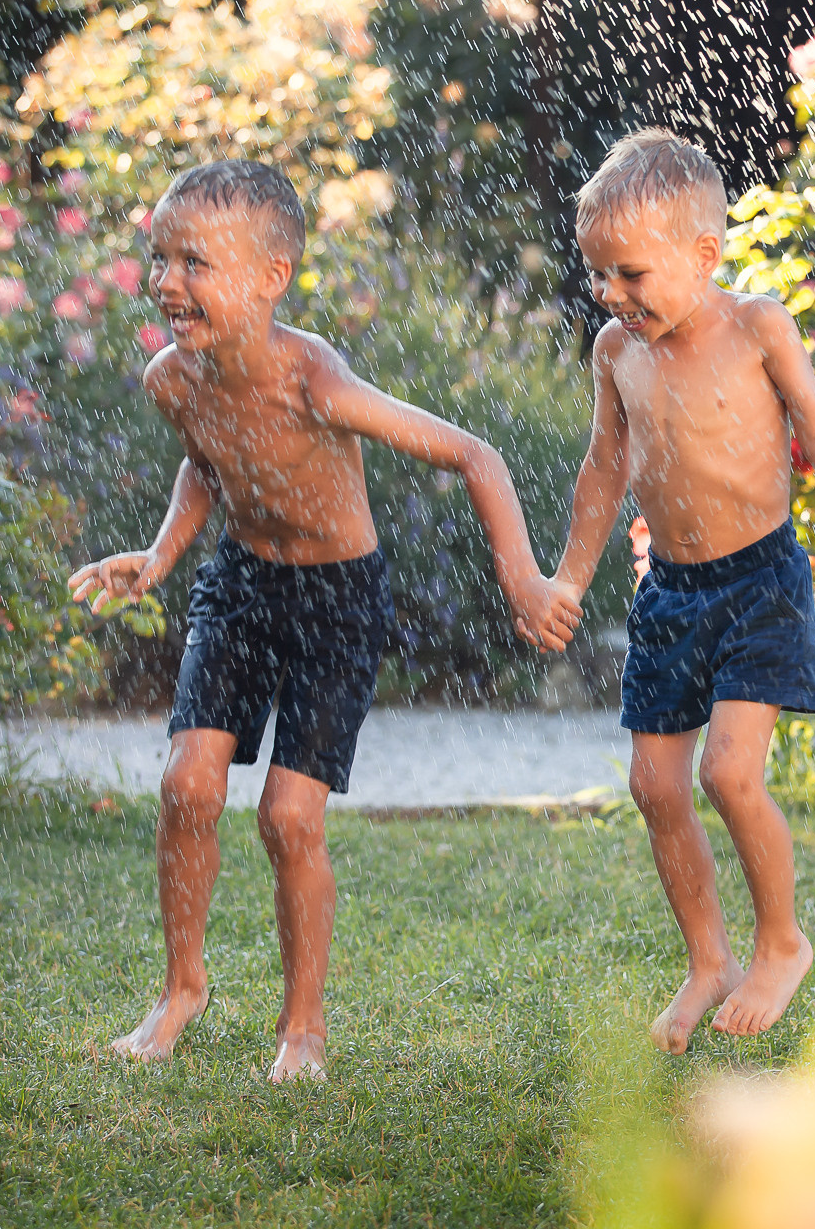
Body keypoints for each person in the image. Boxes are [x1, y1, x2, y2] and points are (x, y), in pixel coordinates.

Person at [66, 159, 578, 1083]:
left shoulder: (315, 382)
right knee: (187, 787)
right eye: (160, 257)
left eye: (196, 263)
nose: (168, 283)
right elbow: (208, 464)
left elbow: (474, 454)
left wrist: (523, 580)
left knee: (289, 817)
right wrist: (158, 557)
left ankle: (303, 1025)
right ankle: (184, 988)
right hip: (242, 585)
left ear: (271, 278)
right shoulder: (172, 380)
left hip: (338, 600)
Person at [548, 129, 815, 1053]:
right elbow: (605, 465)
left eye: (629, 274)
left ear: (704, 256)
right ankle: (711, 960)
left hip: (759, 582)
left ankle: (782, 943)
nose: (612, 296)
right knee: (654, 783)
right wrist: (570, 579)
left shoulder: (757, 327)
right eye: (599, 277)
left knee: (730, 772)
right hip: (669, 589)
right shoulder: (618, 350)